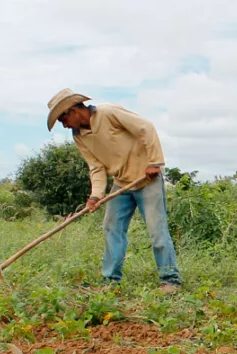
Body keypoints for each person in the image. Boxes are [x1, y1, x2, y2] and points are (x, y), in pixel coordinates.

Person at [46, 88, 182, 293]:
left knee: (157, 231)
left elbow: (146, 127)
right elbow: (97, 167)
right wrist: (95, 196)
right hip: (122, 183)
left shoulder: (108, 113)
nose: (64, 126)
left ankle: (170, 280)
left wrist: (154, 162)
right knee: (111, 228)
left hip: (147, 178)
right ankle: (111, 281)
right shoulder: (79, 136)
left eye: (63, 120)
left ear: (73, 110)